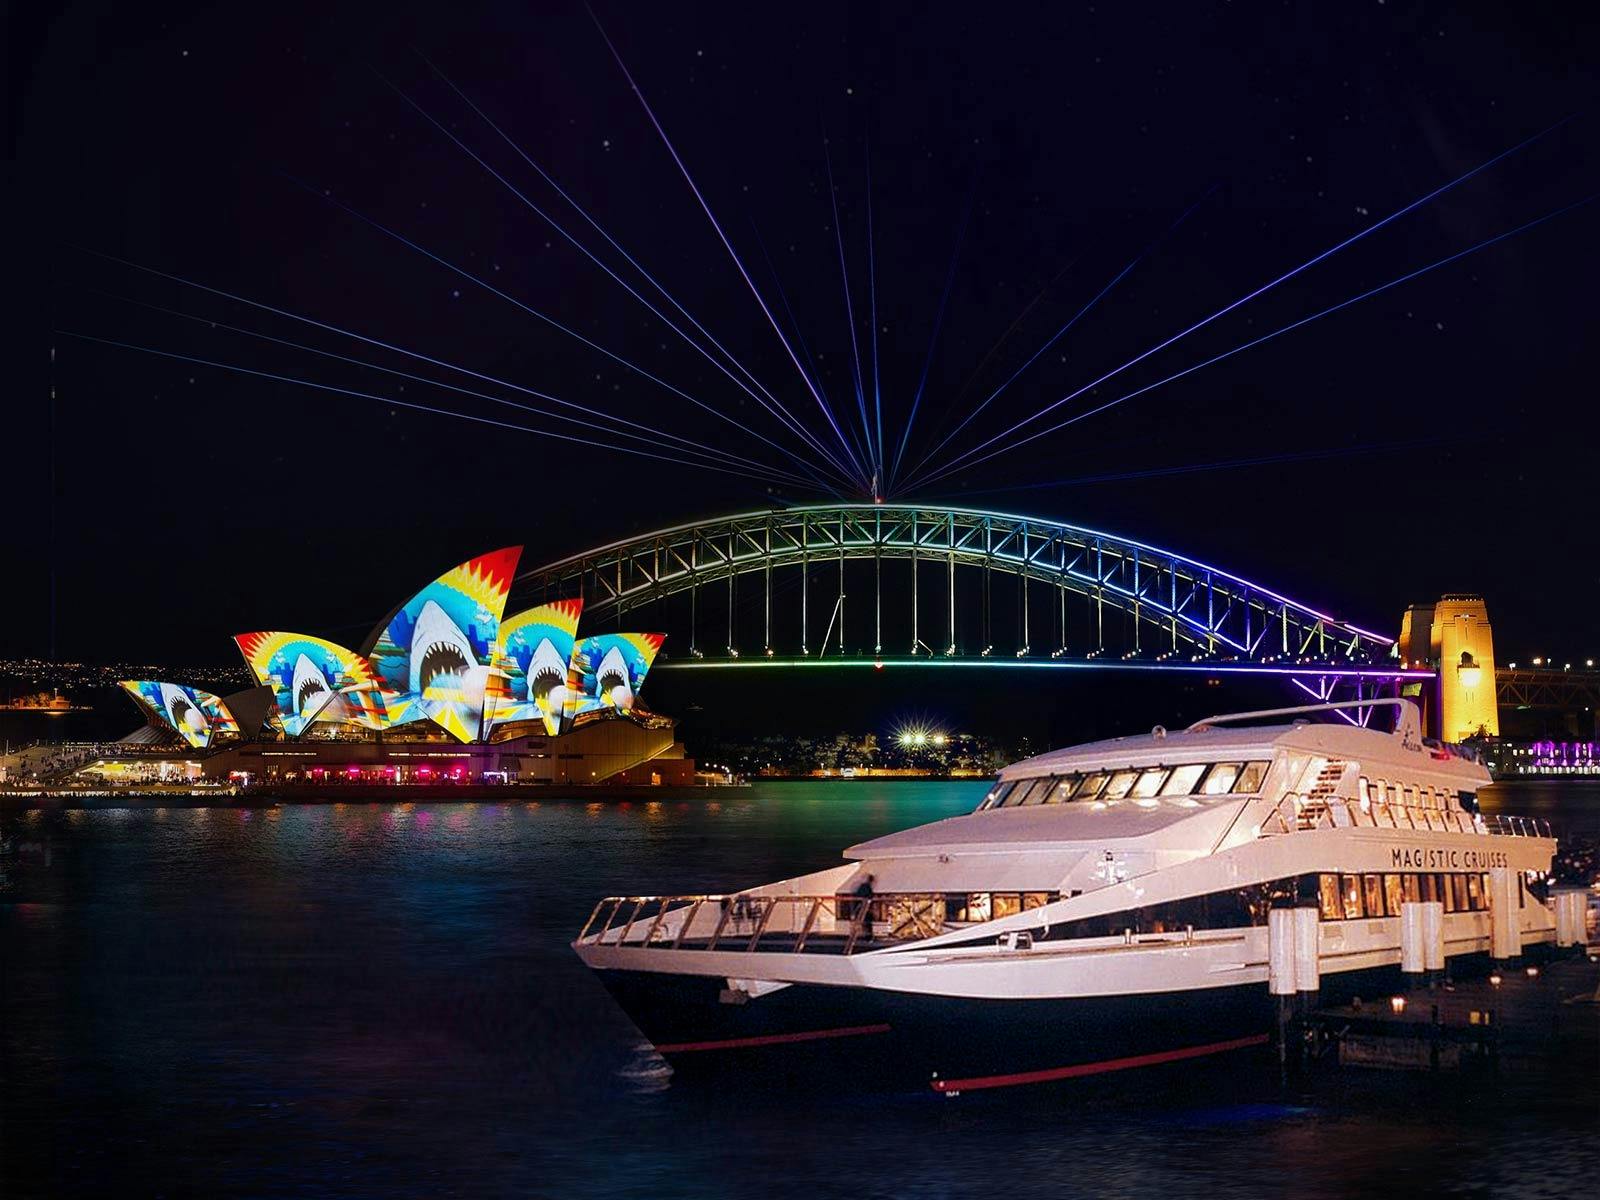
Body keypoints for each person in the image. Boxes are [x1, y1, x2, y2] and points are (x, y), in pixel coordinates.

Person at [854, 873, 876, 942]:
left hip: (862, 908)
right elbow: (869, 896)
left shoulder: (863, 886)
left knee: (865, 923)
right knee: (868, 923)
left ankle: (867, 937)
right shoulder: (867, 887)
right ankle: (868, 937)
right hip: (865, 908)